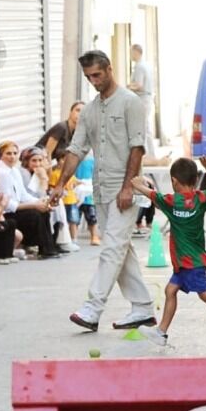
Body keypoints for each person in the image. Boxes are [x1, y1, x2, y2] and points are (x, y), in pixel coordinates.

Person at [52, 50, 156, 333]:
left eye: (97, 75)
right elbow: (76, 150)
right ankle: (143, 308)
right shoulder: (89, 110)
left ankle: (92, 308)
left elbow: (138, 147)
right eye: (89, 77)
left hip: (127, 189)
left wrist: (127, 187)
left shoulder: (131, 103)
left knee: (111, 248)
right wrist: (60, 184)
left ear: (109, 69)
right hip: (101, 190)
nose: (94, 81)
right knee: (121, 249)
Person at [134, 157, 206, 349]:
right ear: (194, 180)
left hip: (190, 263)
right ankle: (161, 332)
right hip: (189, 261)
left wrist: (136, 184)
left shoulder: (171, 201)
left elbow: (152, 195)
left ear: (174, 181)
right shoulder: (200, 198)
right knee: (170, 290)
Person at [127, 44, 157, 147]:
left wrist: (128, 87)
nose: (130, 55)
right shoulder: (147, 65)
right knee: (146, 126)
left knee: (142, 127)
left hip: (142, 98)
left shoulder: (139, 66)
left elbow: (139, 85)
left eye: (131, 52)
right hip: (148, 98)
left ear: (136, 52)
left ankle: (145, 153)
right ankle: (149, 153)